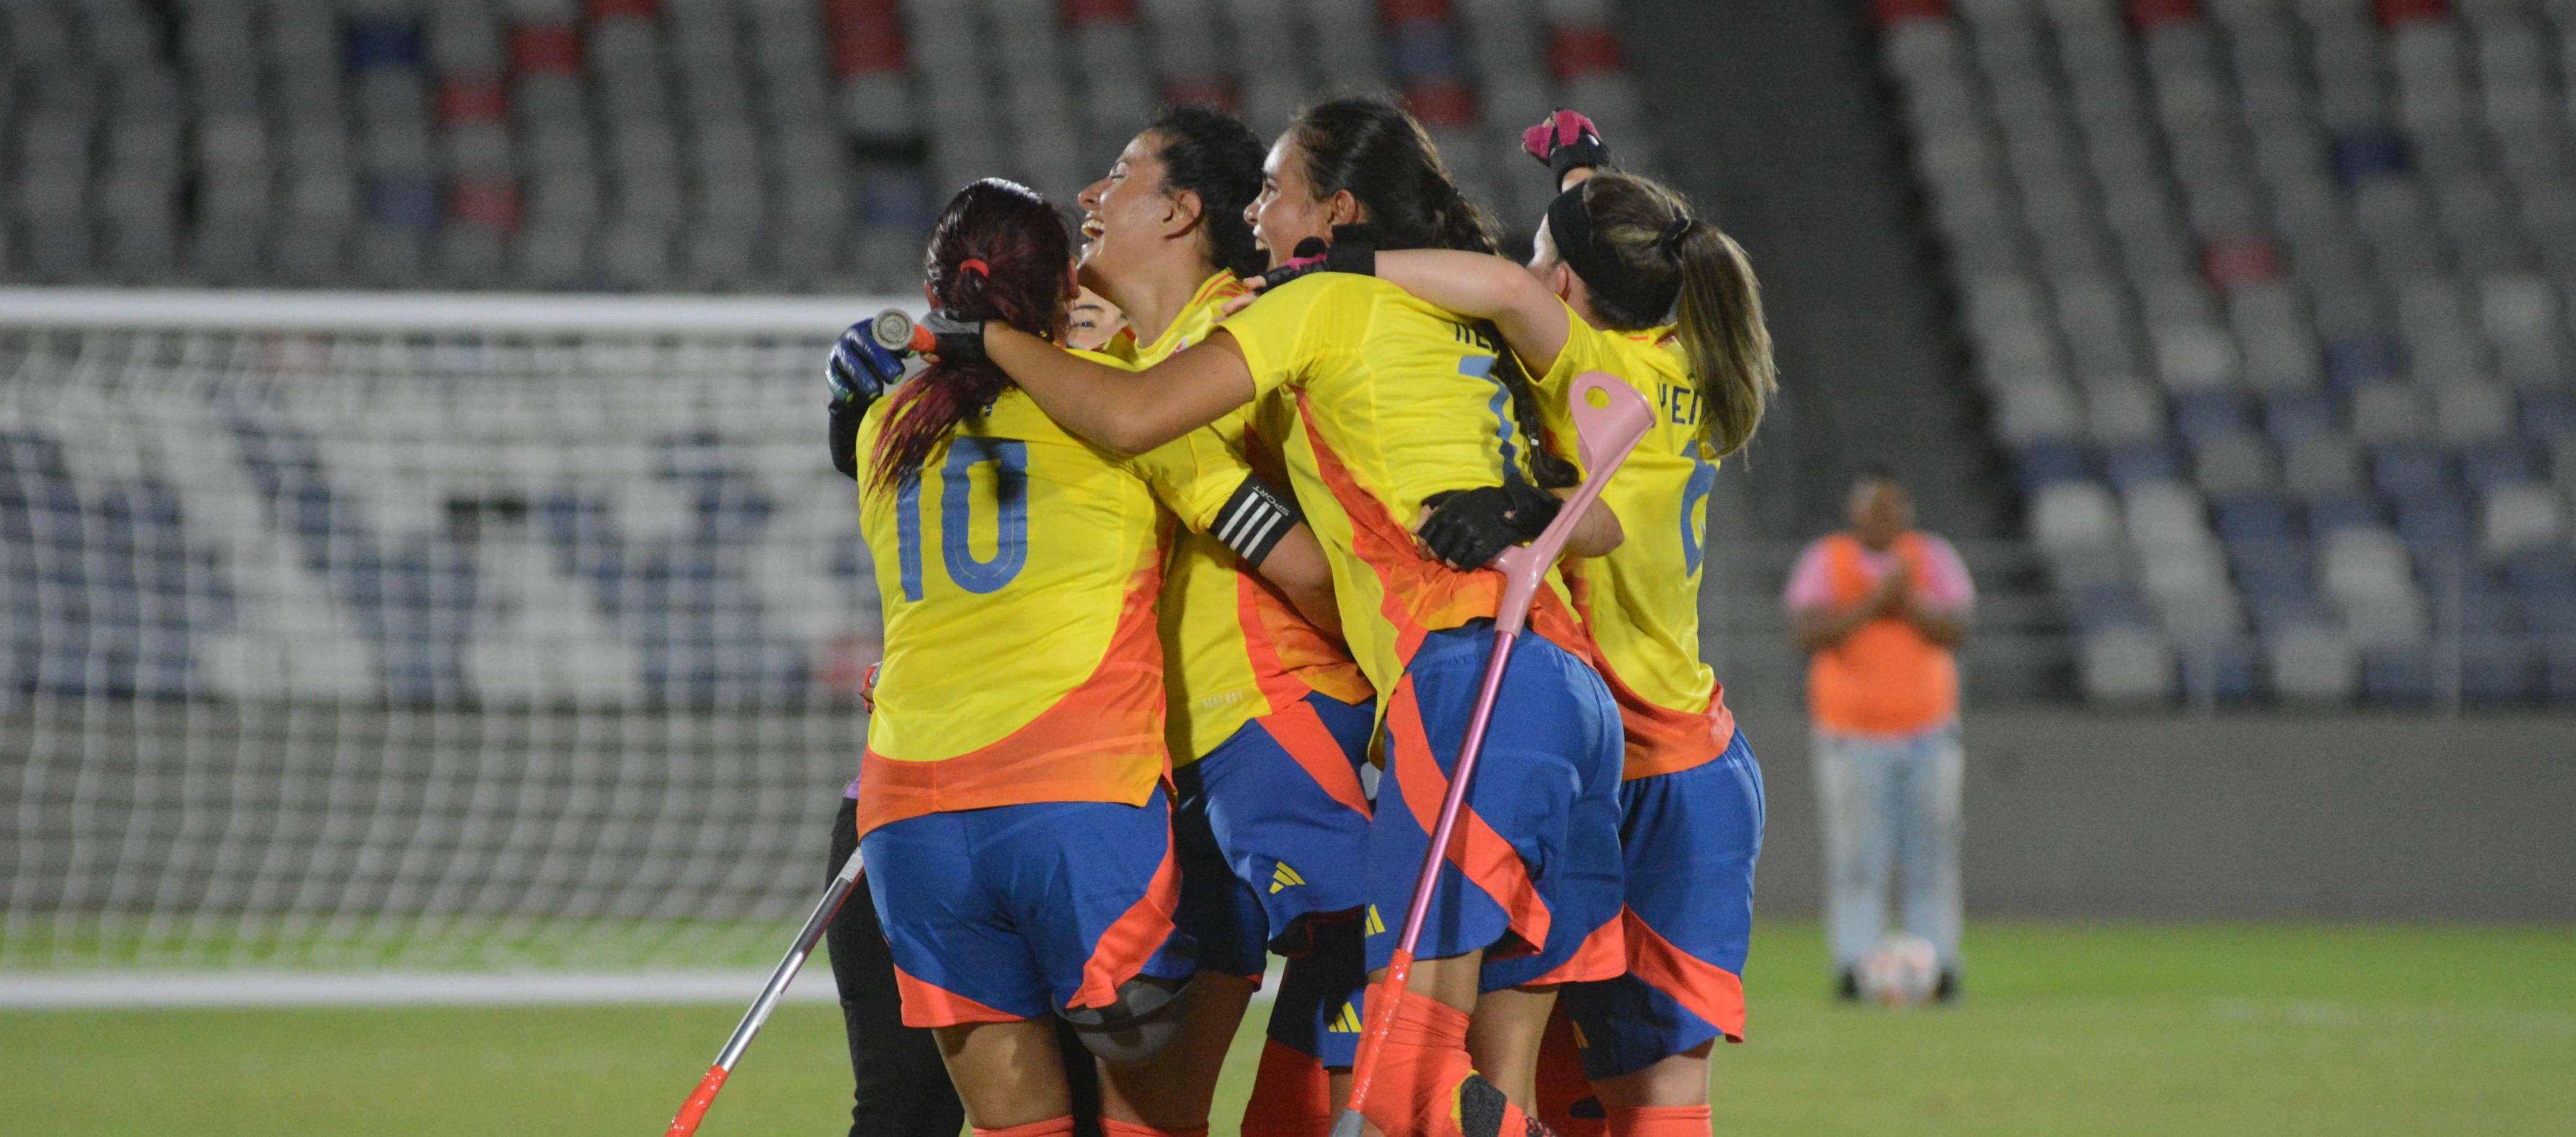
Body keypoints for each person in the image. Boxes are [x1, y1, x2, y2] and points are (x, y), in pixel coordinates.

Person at [933, 96, 1629, 1137]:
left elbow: (1171, 451)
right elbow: (1599, 504)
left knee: (1403, 1058)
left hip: (1350, 698)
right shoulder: (1430, 313)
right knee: (1469, 1065)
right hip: (1474, 694)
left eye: (1275, 191)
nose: (1260, 212)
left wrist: (973, 340)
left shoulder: (1276, 315)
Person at [1246, 107, 1776, 1137]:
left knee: (1491, 1076)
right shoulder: (1682, 349)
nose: (1522, 272)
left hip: (1600, 753)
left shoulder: (1588, 364)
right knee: (1655, 1098)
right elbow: (1606, 238)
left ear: (1569, 290)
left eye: (1543, 261)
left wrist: (1329, 271)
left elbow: (1493, 287)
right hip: (1696, 764)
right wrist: (1580, 171)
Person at [850, 177, 1338, 1137]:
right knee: (1143, 1115)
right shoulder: (1127, 419)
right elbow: (1300, 564)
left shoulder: (882, 430)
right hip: (1071, 799)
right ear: (1062, 283)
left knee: (1013, 1123)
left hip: (910, 809)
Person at [1066, 104, 1379, 1137]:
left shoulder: (1251, 329)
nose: (1088, 197)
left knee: (1362, 941)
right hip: (1165, 755)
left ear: (1180, 209)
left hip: (1270, 711)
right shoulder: (1105, 361)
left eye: (1117, 175)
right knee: (1144, 1110)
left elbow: (1315, 559)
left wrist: (1133, 414)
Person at [816, 285, 1127, 1137]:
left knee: (1086, 1107)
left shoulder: (1140, 450)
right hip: (917, 806)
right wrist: (850, 408)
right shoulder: (971, 436)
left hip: (1076, 809)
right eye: (1065, 322)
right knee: (904, 1106)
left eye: (1093, 326)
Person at [1783, 466, 1974, 1002]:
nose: (1883, 518)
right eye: (1873, 508)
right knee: (1856, 859)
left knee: (1931, 856)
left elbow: (1958, 627)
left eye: (1892, 508)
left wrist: (1906, 600)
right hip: (1852, 736)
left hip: (1928, 734)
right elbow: (1806, 632)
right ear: (1854, 512)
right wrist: (1875, 600)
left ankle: (1938, 968)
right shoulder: (1828, 560)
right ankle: (1855, 965)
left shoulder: (1931, 557)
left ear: (1906, 513)